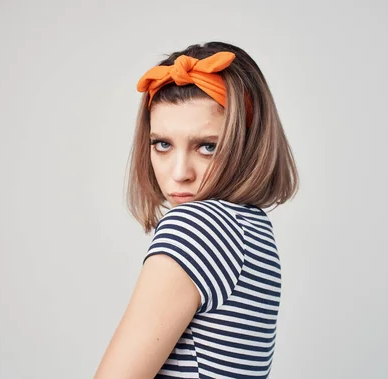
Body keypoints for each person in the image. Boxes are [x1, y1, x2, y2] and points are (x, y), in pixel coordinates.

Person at [94, 41, 298, 379]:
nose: (179, 173)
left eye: (207, 147)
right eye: (162, 144)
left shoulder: (196, 225)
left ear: (246, 143)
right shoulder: (254, 229)